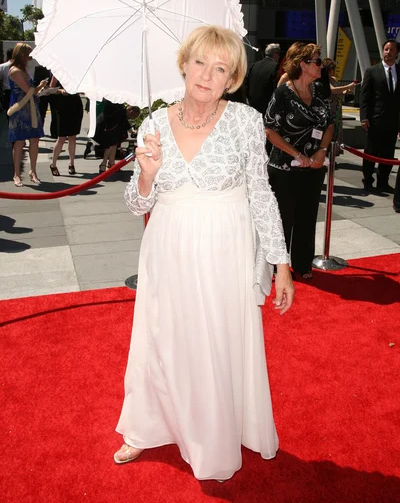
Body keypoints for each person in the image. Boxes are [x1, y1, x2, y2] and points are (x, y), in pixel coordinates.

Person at [114, 26, 294, 481]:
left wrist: (282, 263)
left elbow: (261, 195)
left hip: (224, 250)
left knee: (214, 340)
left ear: (232, 78)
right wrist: (147, 176)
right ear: (184, 64)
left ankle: (216, 430)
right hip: (168, 246)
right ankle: (147, 424)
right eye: (200, 63)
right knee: (162, 337)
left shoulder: (246, 121)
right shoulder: (153, 124)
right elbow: (137, 205)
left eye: (220, 68)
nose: (207, 76)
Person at [265, 41, 334, 280]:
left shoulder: (319, 91)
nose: (321, 65)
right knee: (283, 219)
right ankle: (277, 266)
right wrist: (297, 155)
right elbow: (270, 130)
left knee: (307, 217)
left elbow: (330, 123)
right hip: (284, 168)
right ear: (303, 64)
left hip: (314, 168)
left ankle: (303, 265)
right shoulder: (283, 93)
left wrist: (322, 151)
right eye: (316, 61)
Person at [360, 39, 400, 193]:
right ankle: (368, 181)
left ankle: (383, 182)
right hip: (374, 121)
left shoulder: (399, 71)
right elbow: (365, 97)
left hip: (392, 122)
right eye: (386, 49)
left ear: (396, 53)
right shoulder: (372, 71)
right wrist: (364, 117)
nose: (388, 52)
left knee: (388, 154)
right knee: (370, 152)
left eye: (391, 50)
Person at [7, 43, 47, 187]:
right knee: (19, 142)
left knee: (34, 140)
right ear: (21, 55)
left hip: (30, 107)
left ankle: (33, 171)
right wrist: (41, 86)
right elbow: (28, 90)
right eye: (28, 55)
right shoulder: (15, 71)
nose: (30, 58)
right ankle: (17, 174)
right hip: (20, 109)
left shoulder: (24, 70)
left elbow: (30, 91)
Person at [48, 76, 84, 176]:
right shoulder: (57, 72)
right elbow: (51, 89)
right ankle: (53, 164)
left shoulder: (75, 72)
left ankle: (71, 163)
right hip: (62, 105)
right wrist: (60, 91)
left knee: (73, 137)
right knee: (61, 138)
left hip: (75, 104)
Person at [322, 58, 356, 156]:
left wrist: (345, 91)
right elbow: (333, 90)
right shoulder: (324, 80)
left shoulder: (333, 79)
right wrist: (347, 87)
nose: (333, 71)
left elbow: (339, 91)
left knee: (336, 132)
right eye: (331, 69)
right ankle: (326, 155)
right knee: (329, 132)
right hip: (329, 108)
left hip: (337, 109)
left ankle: (333, 154)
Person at [94, 100, 139, 173]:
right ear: (130, 111)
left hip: (107, 126)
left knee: (113, 144)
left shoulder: (121, 109)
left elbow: (124, 122)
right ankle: (103, 164)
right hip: (104, 127)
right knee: (110, 145)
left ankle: (111, 163)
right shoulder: (119, 110)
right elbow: (122, 121)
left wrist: (131, 130)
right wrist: (131, 131)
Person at [246, 43, 280, 115]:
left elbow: (247, 83)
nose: (279, 56)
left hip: (252, 104)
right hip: (267, 106)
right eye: (279, 53)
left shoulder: (254, 65)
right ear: (275, 53)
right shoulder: (275, 67)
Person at [0, 48, 13, 115]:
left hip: (7, 92)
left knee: (8, 112)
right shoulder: (20, 66)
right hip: (18, 91)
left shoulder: (2, 66)